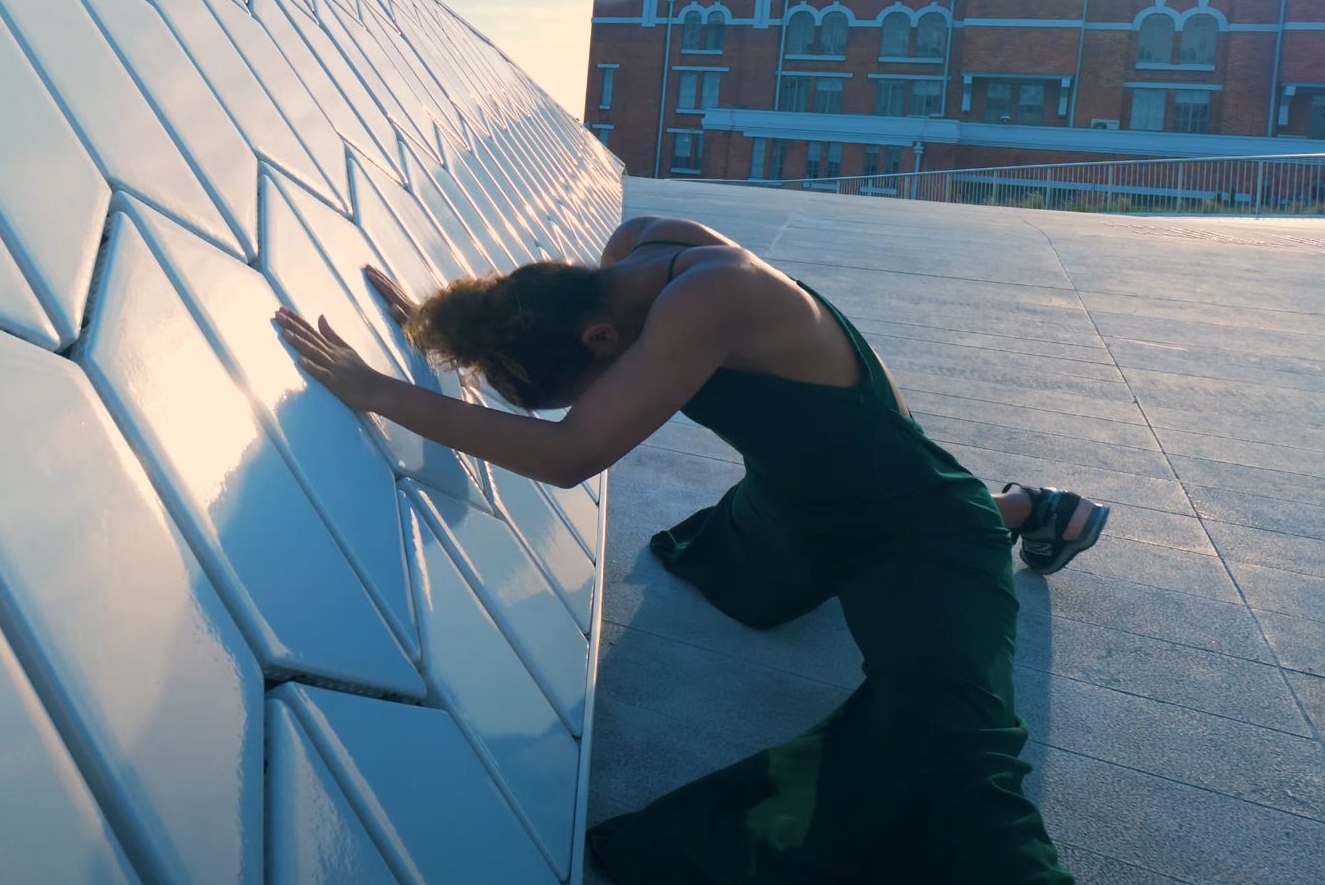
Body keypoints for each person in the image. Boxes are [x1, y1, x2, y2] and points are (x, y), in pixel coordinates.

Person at [273, 213, 1105, 885]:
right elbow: (543, 326)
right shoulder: (635, 250)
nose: (609, 397)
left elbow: (568, 457)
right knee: (734, 577)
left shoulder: (709, 298)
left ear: (603, 341)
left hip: (918, 526)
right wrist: (452, 327)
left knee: (949, 754)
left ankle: (1024, 508)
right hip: (793, 504)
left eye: (586, 388)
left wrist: (376, 391)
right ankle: (1022, 504)